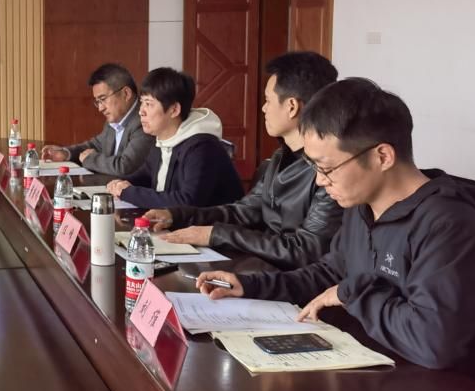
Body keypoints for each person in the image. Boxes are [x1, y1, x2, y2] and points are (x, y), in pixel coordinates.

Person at [197, 78, 475, 391]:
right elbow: (330, 273)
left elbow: (433, 343)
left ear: (382, 156)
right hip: (378, 379)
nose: (320, 181)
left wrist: (352, 293)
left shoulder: (449, 225)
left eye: (327, 168)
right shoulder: (362, 206)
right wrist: (250, 285)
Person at [145, 51, 343, 268]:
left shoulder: (331, 172)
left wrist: (216, 234)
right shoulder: (280, 158)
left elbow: (305, 251)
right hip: (261, 268)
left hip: (289, 279)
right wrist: (176, 216)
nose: (263, 108)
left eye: (268, 100)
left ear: (292, 107)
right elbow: (244, 211)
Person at [107, 67, 242, 208]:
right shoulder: (163, 138)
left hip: (215, 222)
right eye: (142, 102)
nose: (141, 111)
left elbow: (188, 202)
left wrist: (128, 192)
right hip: (175, 220)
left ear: (174, 110)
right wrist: (120, 183)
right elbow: (146, 175)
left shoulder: (203, 148)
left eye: (149, 104)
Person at [40, 63, 153, 177]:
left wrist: (90, 159)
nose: (100, 108)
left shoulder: (144, 122)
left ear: (126, 93)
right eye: (98, 102)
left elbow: (124, 166)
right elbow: (96, 145)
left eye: (103, 99)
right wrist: (66, 153)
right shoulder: (115, 119)